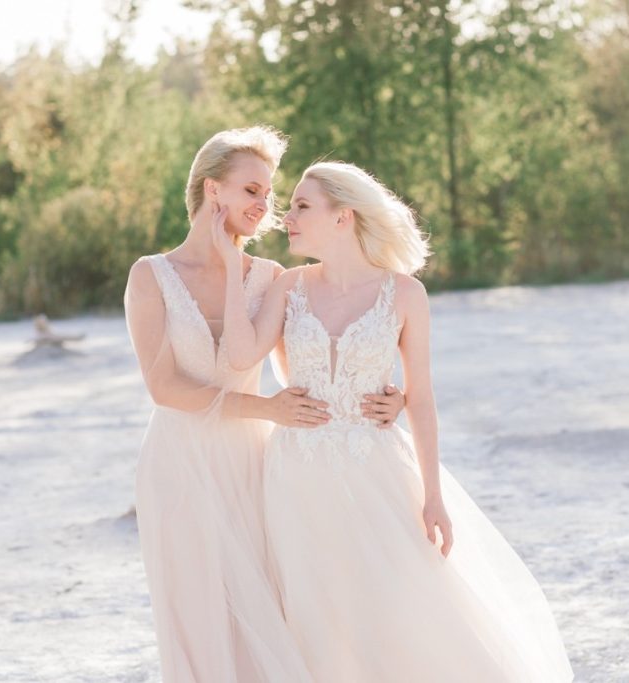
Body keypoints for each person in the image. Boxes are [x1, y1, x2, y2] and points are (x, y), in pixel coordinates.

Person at [214, 161, 575, 682]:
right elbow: (240, 357)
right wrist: (231, 266)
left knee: (396, 598)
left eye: (301, 205)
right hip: (295, 474)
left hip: (376, 469)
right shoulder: (288, 286)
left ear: (344, 217)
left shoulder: (405, 294)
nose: (285, 215)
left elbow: (422, 398)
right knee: (316, 609)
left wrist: (433, 495)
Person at [123, 128, 404, 682]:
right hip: (179, 466)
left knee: (272, 610)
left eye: (271, 194)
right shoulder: (150, 275)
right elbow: (165, 389)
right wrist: (267, 411)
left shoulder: (272, 277)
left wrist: (391, 394)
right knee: (196, 614)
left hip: (258, 466)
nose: (266, 207)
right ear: (213, 190)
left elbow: (304, 367)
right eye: (253, 190)